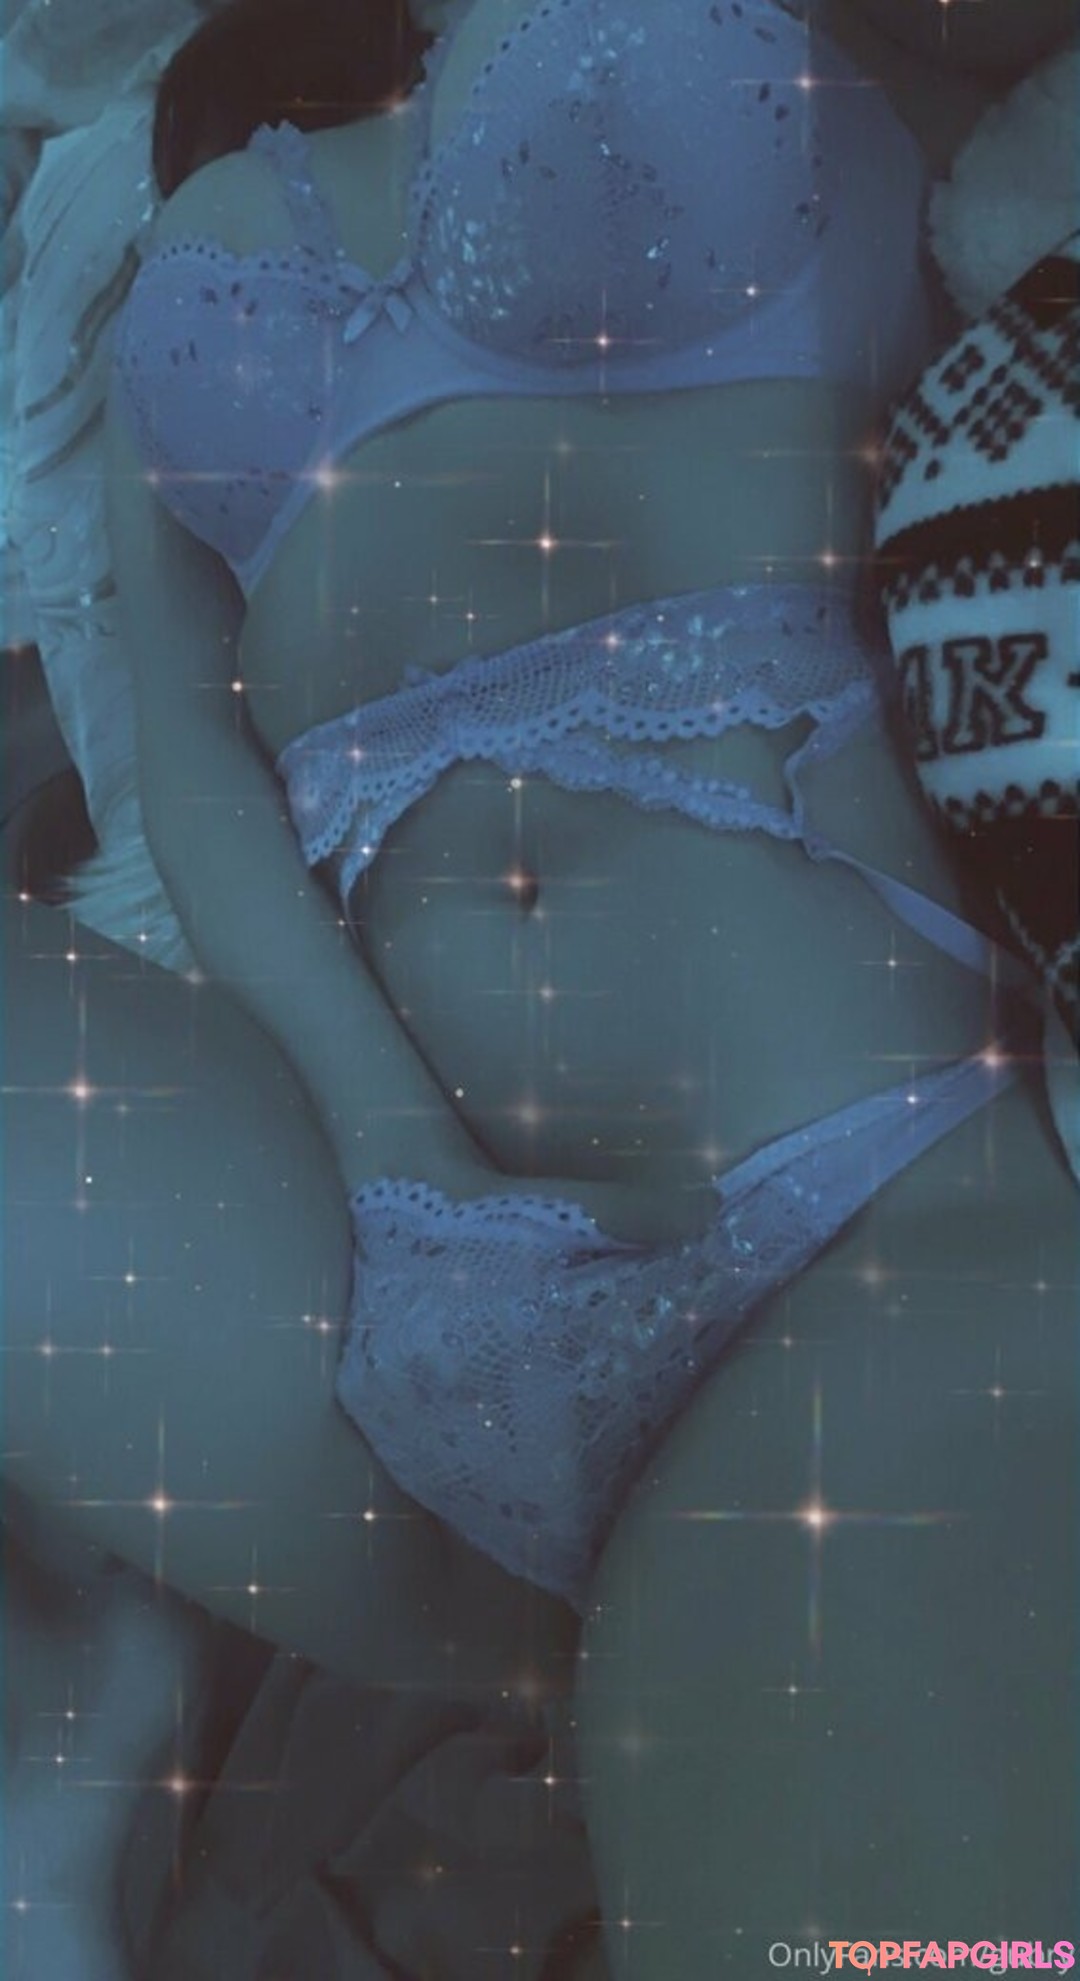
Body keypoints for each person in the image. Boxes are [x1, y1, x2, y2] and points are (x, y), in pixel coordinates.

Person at [4, 0, 1076, 1953]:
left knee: (879, 1899)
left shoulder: (786, 70)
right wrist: (394, 1151)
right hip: (401, 1238)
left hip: (855, 1173)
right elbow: (189, 755)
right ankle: (88, 1713)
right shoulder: (183, 234)